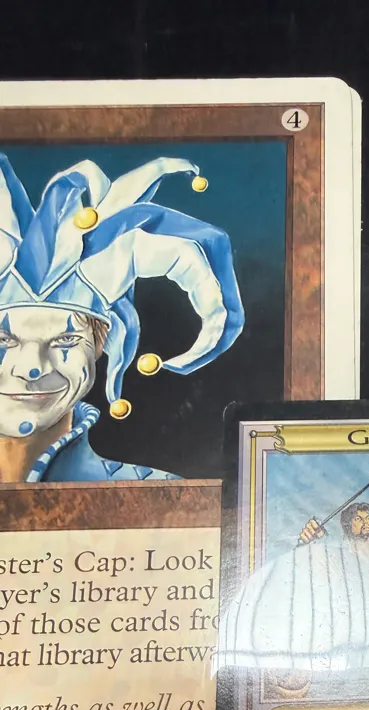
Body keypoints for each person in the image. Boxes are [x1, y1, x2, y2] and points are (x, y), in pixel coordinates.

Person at [0, 153, 244, 482]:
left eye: (66, 340)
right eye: (3, 339)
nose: (32, 368)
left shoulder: (161, 495)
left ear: (101, 345)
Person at [299, 502, 369, 552]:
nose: (366, 522)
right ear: (348, 526)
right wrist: (308, 541)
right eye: (358, 519)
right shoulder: (340, 556)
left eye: (368, 518)